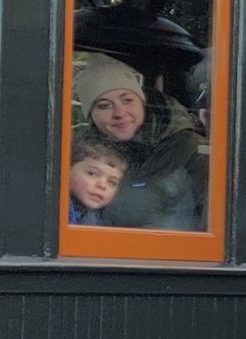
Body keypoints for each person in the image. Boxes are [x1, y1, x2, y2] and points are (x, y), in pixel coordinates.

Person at [73, 50, 208, 231]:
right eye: (104, 105)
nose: (120, 113)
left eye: (127, 100)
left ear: (142, 102)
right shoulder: (82, 156)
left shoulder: (190, 151)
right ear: (91, 116)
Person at [67, 130, 128, 225]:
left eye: (112, 182)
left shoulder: (99, 219)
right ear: (67, 169)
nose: (102, 185)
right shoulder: (57, 209)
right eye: (92, 174)